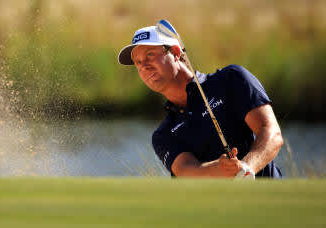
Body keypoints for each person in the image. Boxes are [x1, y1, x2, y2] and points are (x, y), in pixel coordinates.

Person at [117, 23, 283, 178]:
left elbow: (271, 133)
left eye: (150, 55)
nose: (144, 66)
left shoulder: (231, 80)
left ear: (175, 52)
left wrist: (247, 168)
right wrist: (220, 168)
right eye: (138, 62)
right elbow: (187, 171)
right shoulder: (163, 135)